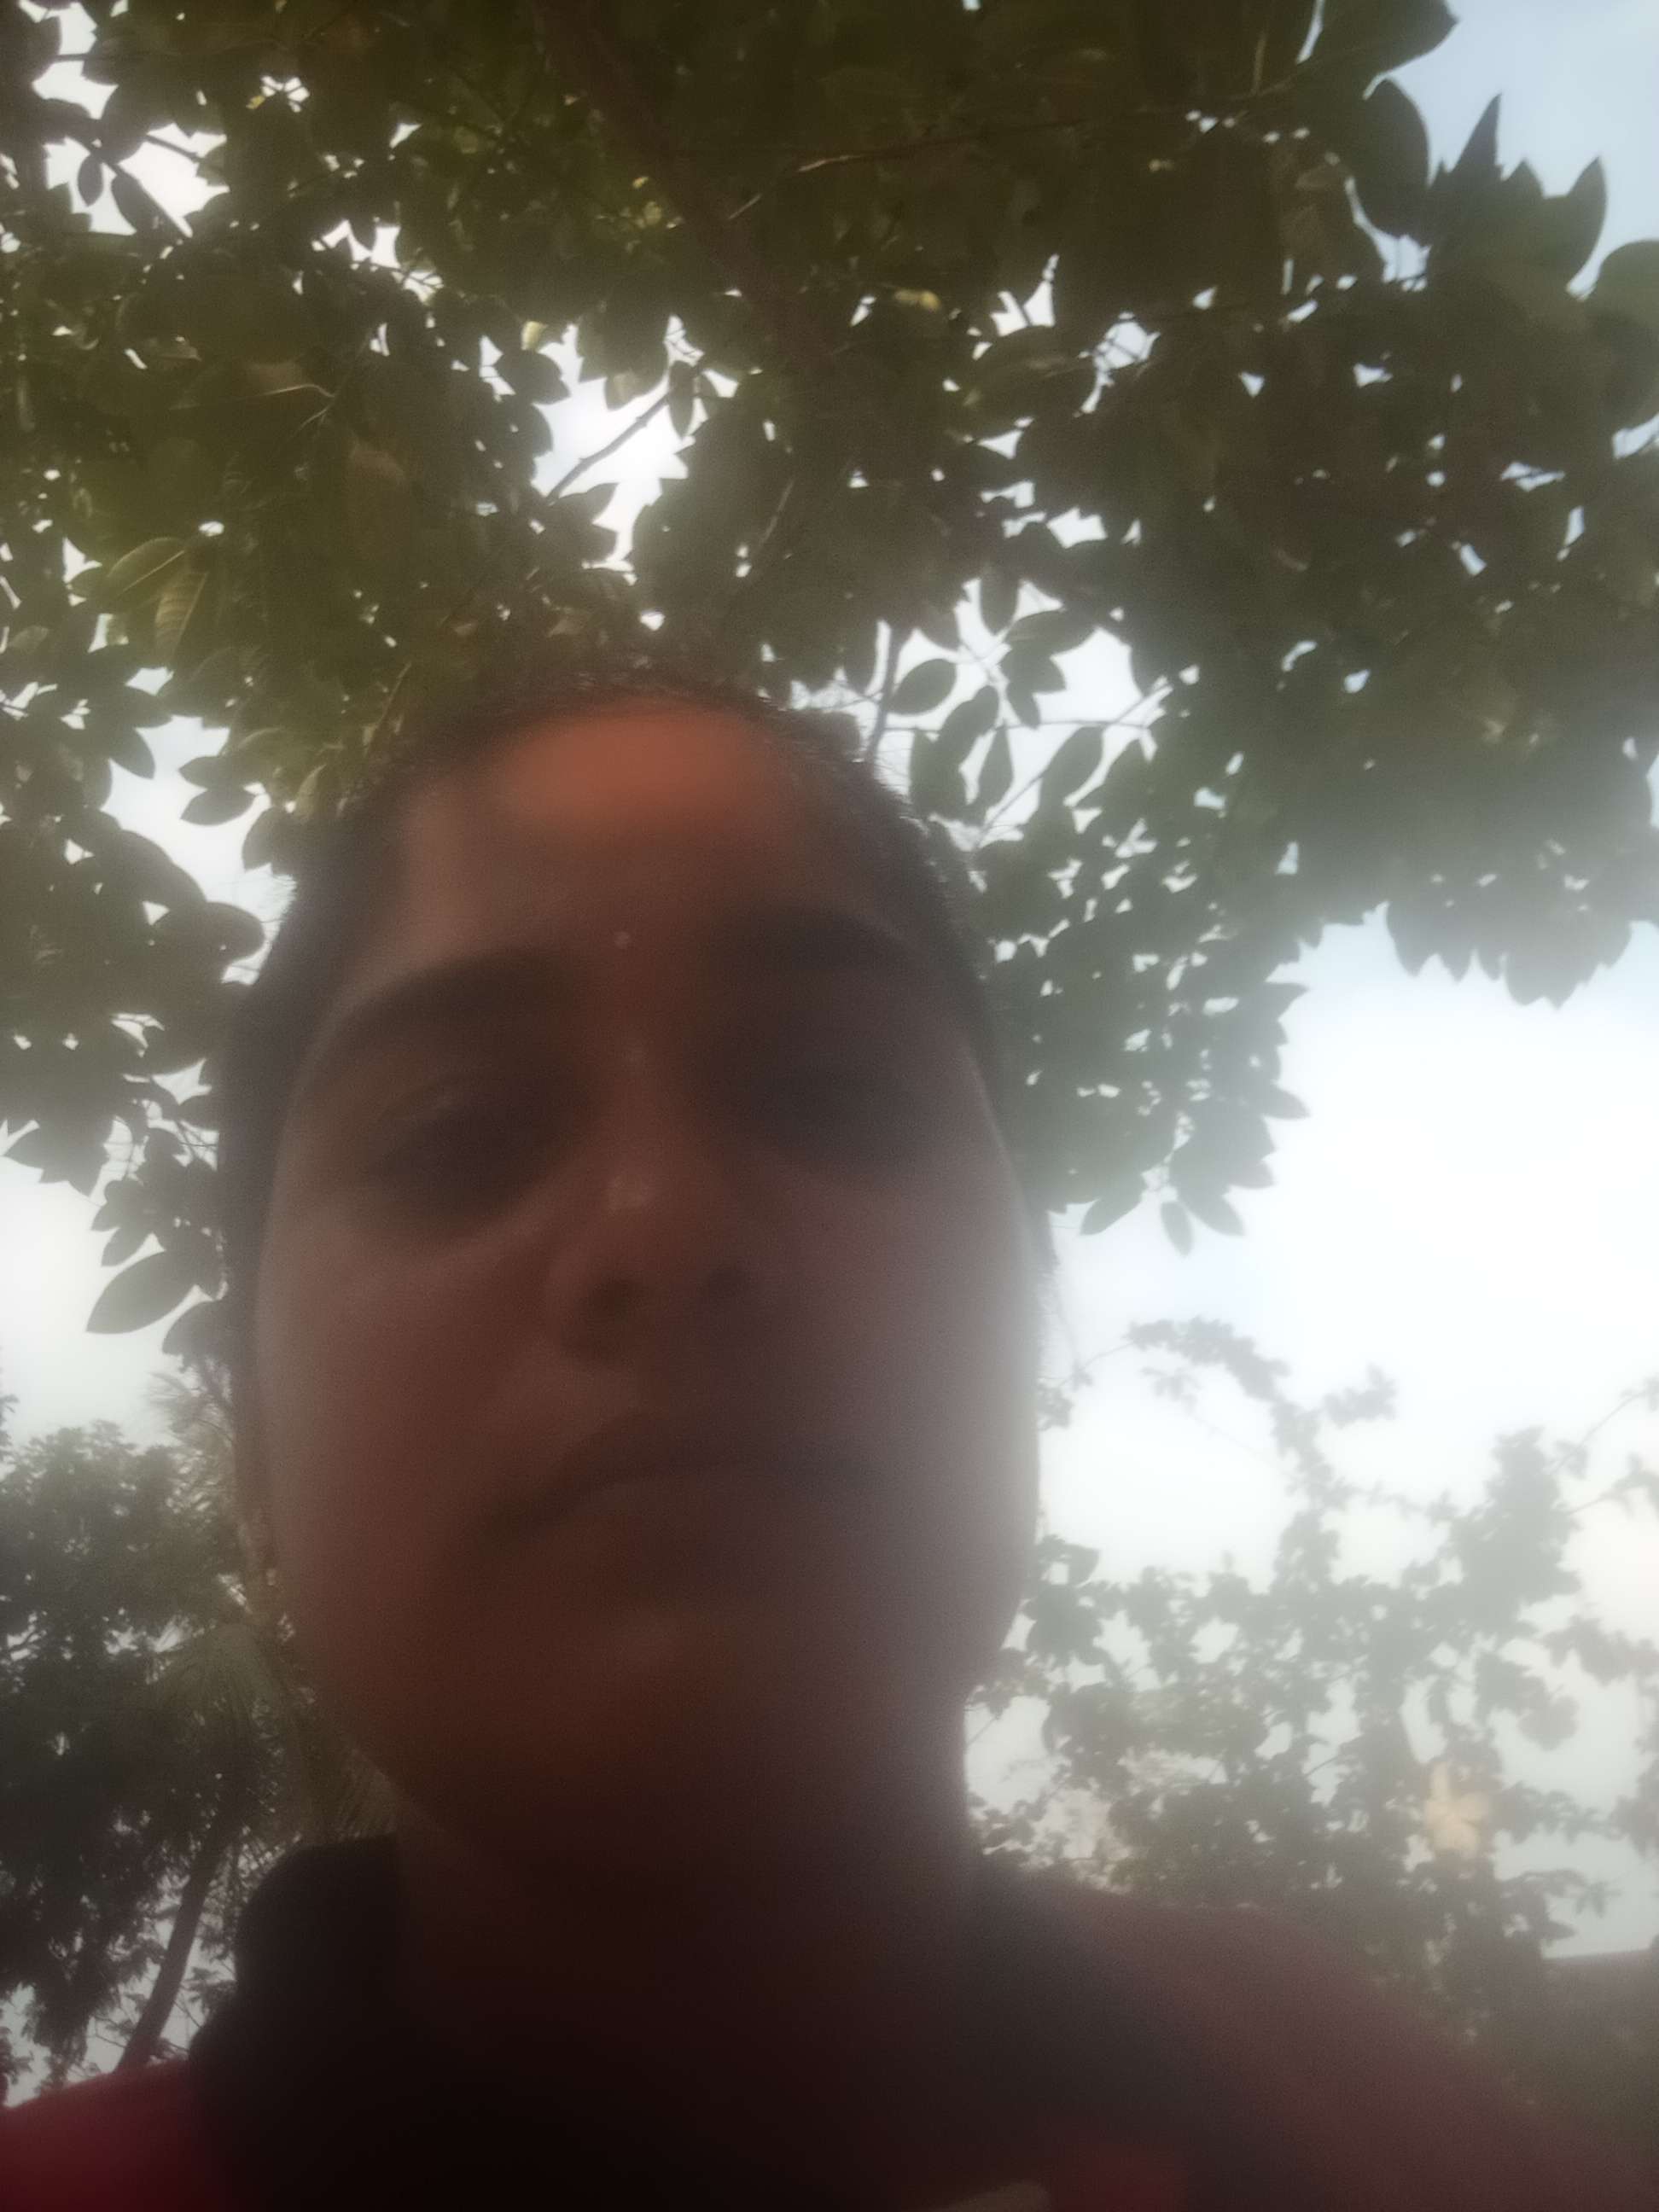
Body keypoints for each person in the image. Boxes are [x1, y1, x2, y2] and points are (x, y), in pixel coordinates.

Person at [3, 661, 1650, 2212]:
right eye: (458, 1133)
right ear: (251, 1454)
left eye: (836, 1096)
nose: (664, 1224)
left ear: (1030, 1312)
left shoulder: (1362, 2114)